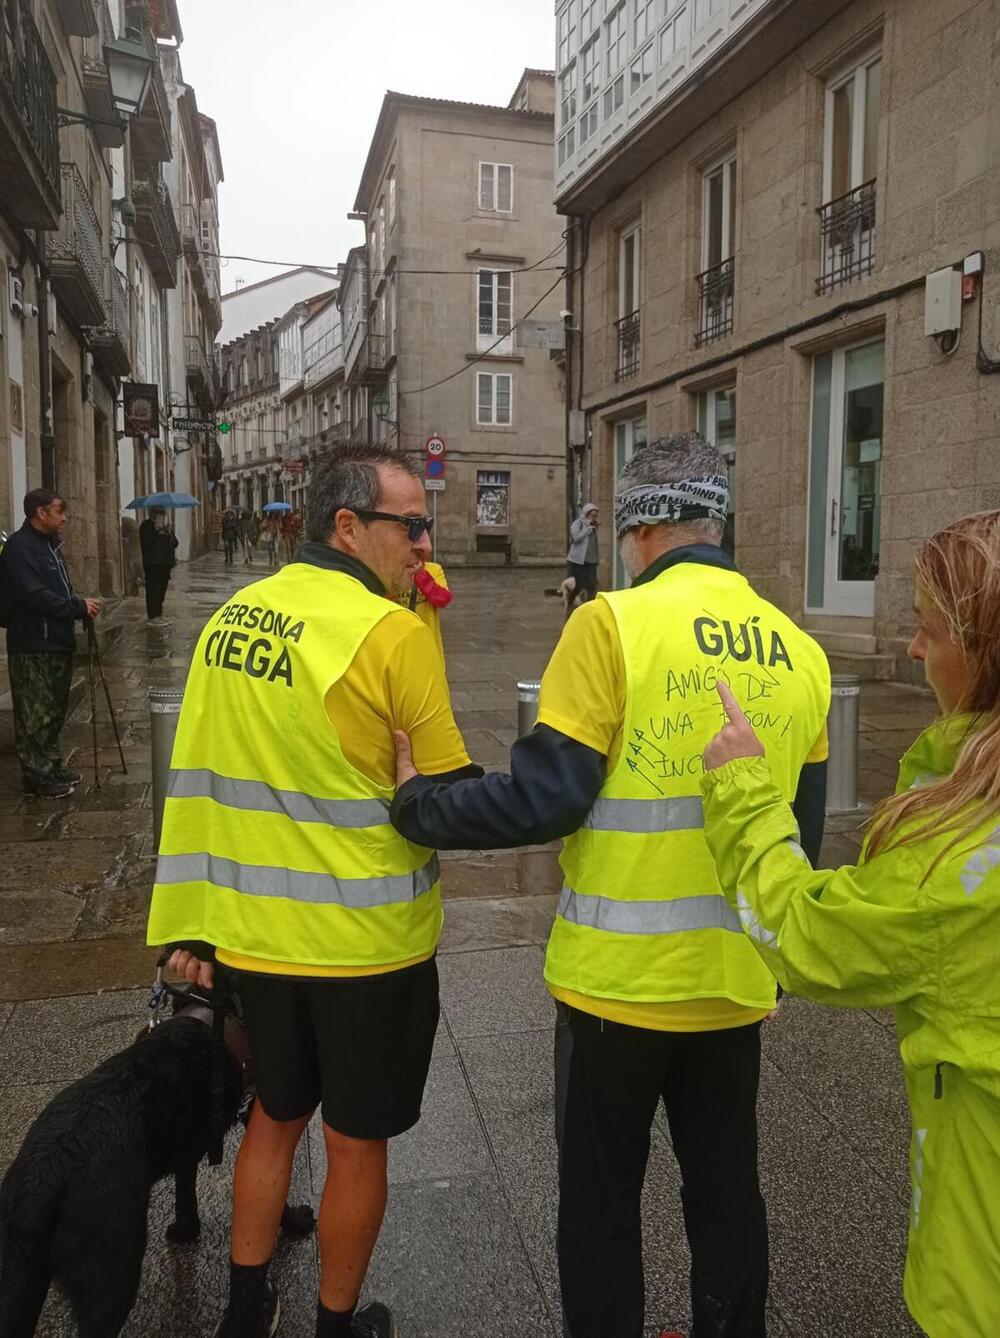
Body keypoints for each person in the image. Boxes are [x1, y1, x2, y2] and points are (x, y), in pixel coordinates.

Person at [389, 434, 832, 1338]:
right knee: (725, 1194)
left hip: (615, 990)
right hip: (734, 984)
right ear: (717, 521)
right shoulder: (799, 650)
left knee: (599, 1202)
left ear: (639, 530)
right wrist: (778, 968)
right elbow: (802, 840)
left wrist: (421, 805)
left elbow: (545, 797)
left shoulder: (610, 625)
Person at [147, 444, 482, 1338]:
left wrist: (192, 927)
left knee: (275, 1118)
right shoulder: (391, 635)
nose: (424, 543)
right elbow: (444, 796)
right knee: (353, 1141)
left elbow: (200, 781)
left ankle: (243, 1312)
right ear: (347, 525)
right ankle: (338, 1323)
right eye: (410, 525)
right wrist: (425, 632)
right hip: (367, 947)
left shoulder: (231, 619)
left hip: (257, 938)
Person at [698, 510, 1000, 1338]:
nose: (912, 649)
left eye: (928, 632)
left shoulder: (964, 859)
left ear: (981, 656)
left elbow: (811, 939)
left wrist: (743, 790)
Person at [0, 488, 101, 798]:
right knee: (35, 713)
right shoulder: (20, 548)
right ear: (40, 513)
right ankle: (36, 775)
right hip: (33, 643)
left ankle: (51, 764)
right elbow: (34, 596)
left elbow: (57, 590)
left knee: (55, 709)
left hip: (56, 641)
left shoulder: (50, 546)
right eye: (59, 511)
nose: (65, 517)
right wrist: (75, 607)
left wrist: (78, 605)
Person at [395, 559, 452, 665]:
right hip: (398, 642)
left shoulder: (434, 569)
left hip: (428, 642)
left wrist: (421, 575)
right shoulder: (392, 569)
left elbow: (443, 599)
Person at [139, 507, 178, 625]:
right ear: (153, 515)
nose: (161, 517)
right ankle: (152, 616)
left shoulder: (166, 529)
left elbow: (175, 543)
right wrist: (156, 532)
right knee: (153, 590)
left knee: (162, 590)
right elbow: (146, 544)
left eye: (162, 515)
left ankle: (159, 614)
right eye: (159, 515)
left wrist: (169, 533)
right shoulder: (146, 526)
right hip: (152, 564)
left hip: (165, 564)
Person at [566, 502, 600, 605]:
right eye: (592, 515)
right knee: (579, 585)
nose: (594, 518)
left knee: (591, 586)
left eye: (596, 516)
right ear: (586, 514)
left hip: (592, 560)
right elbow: (575, 538)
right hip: (579, 561)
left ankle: (590, 607)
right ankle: (570, 601)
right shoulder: (578, 524)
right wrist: (587, 531)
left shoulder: (594, 525)